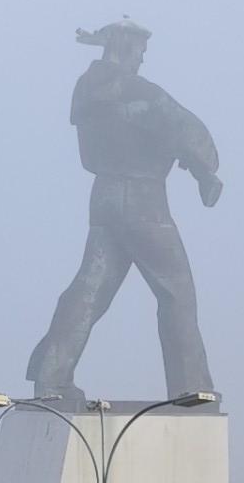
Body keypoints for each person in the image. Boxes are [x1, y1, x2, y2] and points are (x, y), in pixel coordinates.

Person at [26, 24, 223, 401]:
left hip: (104, 197)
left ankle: (51, 375)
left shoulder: (86, 90)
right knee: (177, 292)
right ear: (125, 45)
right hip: (144, 199)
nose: (142, 58)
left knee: (90, 289)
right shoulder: (140, 91)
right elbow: (186, 128)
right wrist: (205, 169)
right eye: (140, 50)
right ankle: (191, 387)